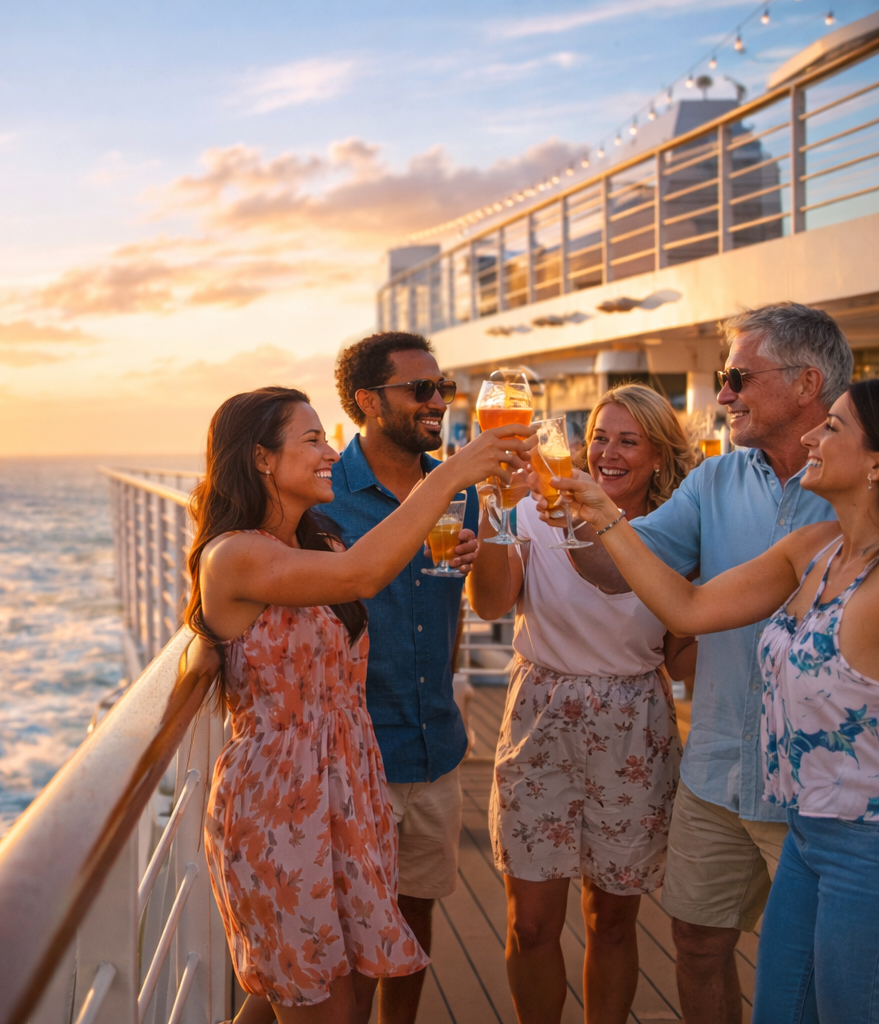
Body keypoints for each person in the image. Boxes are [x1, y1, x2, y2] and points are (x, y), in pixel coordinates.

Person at [186, 386, 533, 1023]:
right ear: (263, 459)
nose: (329, 452)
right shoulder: (236, 555)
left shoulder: (320, 542)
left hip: (348, 790)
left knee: (295, 997)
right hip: (281, 804)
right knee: (317, 1002)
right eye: (312, 439)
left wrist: (463, 550)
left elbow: (377, 575)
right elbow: (360, 580)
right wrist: (456, 470)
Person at [553, 302, 851, 1023]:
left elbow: (677, 603)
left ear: (808, 382)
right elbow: (620, 568)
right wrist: (566, 510)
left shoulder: (853, 495)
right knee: (696, 941)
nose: (722, 394)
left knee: (824, 968)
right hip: (719, 768)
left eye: (737, 376)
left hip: (822, 788)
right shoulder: (713, 484)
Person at [468, 385, 697, 1024]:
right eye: (598, 436)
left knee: (613, 921)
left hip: (634, 726)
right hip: (541, 713)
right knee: (532, 922)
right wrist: (495, 512)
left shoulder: (676, 531)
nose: (607, 452)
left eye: (628, 440)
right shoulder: (538, 511)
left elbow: (683, 651)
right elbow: (489, 605)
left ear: (658, 456)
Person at [322, 332, 482, 1024]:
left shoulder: (459, 490)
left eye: (440, 389)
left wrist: (489, 543)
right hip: (356, 752)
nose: (436, 402)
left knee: (415, 909)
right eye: (420, 390)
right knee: (353, 930)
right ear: (367, 401)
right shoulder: (322, 495)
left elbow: (470, 610)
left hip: (435, 745)